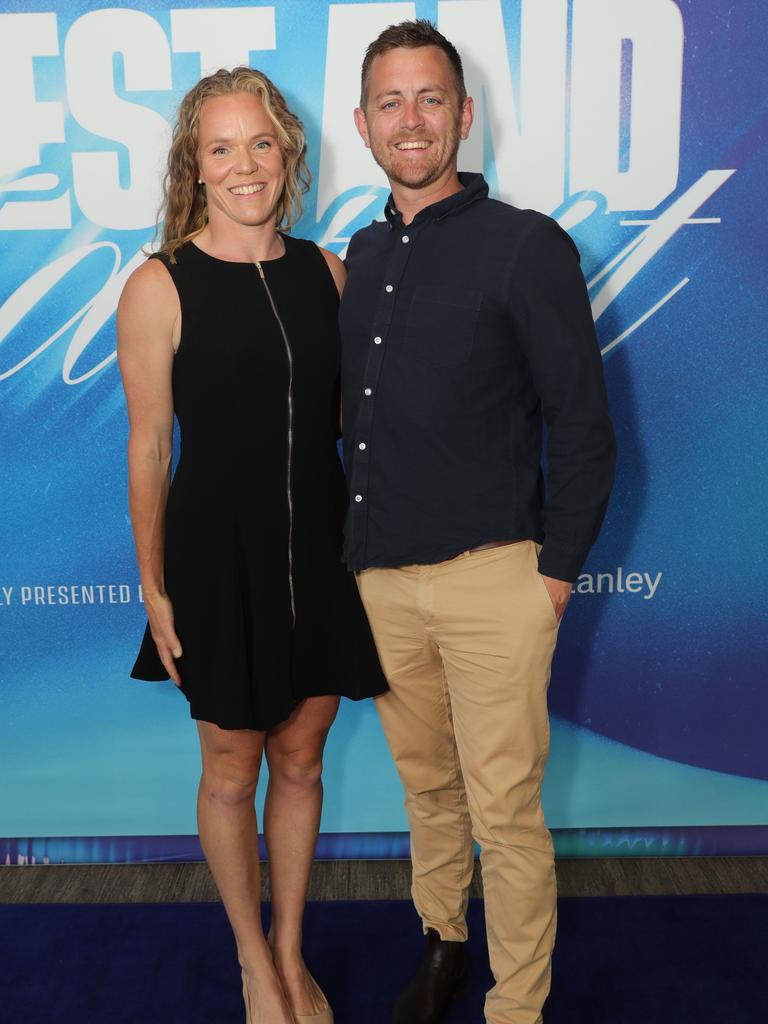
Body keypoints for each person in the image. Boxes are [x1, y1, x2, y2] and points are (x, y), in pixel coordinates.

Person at [341, 20, 616, 1024]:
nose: (411, 120)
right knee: (428, 791)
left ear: (462, 113)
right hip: (381, 584)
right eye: (390, 102)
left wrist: (551, 579)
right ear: (362, 124)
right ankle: (444, 947)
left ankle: (517, 1007)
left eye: (429, 99)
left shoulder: (527, 246)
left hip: (496, 580)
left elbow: (585, 427)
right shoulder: (360, 256)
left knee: (506, 812)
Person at [117, 66, 386, 1024]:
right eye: (222, 147)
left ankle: (288, 946)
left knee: (304, 757)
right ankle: (249, 961)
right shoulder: (159, 284)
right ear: (196, 162)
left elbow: (362, 425)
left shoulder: (329, 273)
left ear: (290, 154)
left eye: (261, 143)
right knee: (231, 765)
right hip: (213, 560)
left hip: (321, 550)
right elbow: (150, 447)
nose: (245, 165)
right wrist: (154, 588)